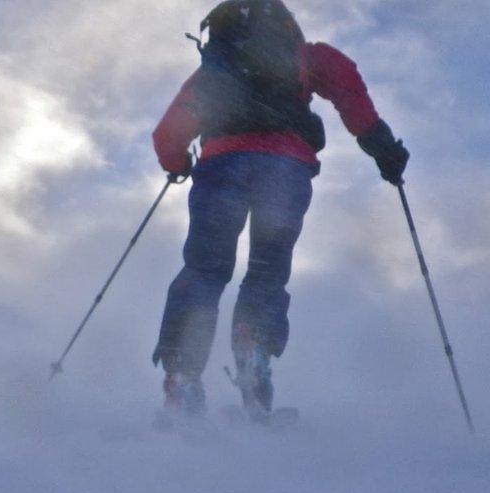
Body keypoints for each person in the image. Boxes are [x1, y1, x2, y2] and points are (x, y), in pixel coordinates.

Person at [152, 0, 409, 420]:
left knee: (204, 270)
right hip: (284, 171)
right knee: (267, 268)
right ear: (288, 26)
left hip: (221, 169)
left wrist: (178, 163)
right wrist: (386, 154)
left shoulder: (213, 71)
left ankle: (182, 381)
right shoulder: (308, 57)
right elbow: (351, 94)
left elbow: (167, 135)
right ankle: (254, 354)